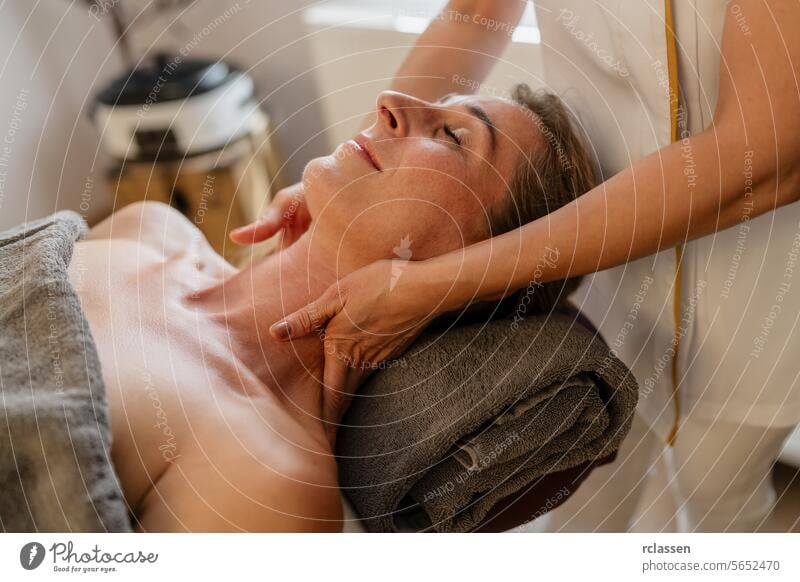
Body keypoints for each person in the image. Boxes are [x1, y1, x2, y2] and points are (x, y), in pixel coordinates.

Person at [231, 0, 800, 532]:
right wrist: (355, 175)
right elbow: (476, 11)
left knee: (713, 493)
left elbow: (766, 153)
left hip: (751, 288)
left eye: (455, 134)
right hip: (591, 245)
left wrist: (437, 282)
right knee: (589, 487)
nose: (387, 104)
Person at [68, 86, 596, 532]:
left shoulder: (261, 474)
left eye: (454, 137)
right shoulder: (151, 228)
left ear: (476, 262)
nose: (390, 100)